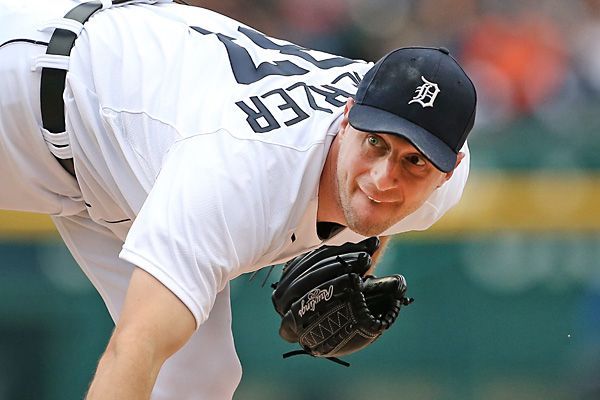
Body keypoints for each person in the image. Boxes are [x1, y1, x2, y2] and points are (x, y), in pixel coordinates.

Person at [0, 0, 476, 399]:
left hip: (122, 149)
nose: (383, 177)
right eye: (375, 143)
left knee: (200, 378)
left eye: (414, 163)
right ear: (348, 117)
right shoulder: (240, 175)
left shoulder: (443, 165)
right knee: (154, 348)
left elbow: (383, 180)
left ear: (449, 168)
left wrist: (357, 251)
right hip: (25, 83)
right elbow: (134, 348)